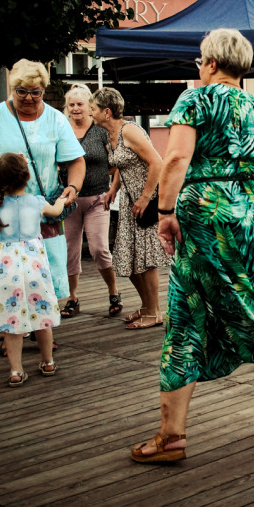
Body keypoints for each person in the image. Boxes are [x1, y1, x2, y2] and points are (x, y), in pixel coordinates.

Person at [130, 28, 254, 462]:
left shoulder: (195, 99)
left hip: (205, 216)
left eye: (199, 62)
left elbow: (176, 158)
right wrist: (247, 204)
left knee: (188, 312)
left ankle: (172, 436)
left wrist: (165, 212)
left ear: (209, 63)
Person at [0, 60, 85, 305]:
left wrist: (73, 187)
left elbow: (76, 161)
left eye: (36, 93)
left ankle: (42, 327)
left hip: (43, 211)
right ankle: (9, 324)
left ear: (43, 91)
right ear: (12, 89)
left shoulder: (56, 119)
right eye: (22, 92)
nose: (29, 98)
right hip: (4, 210)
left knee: (46, 274)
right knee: (8, 274)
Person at [0, 153, 65, 386]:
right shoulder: (36, 201)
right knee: (42, 317)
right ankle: (48, 362)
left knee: (11, 323)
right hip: (34, 270)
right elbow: (55, 212)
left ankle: (16, 371)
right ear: (27, 177)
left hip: (6, 273)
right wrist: (64, 199)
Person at [92, 87, 168, 330]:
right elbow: (121, 164)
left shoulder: (130, 130)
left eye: (93, 109)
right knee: (129, 257)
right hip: (128, 200)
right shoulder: (112, 135)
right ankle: (146, 306)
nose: (91, 113)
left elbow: (157, 161)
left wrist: (146, 197)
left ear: (106, 112)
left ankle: (155, 312)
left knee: (145, 259)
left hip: (144, 200)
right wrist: (114, 188)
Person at [61, 85, 121, 318]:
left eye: (80, 104)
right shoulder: (62, 130)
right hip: (69, 202)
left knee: (99, 249)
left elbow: (118, 162)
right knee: (69, 252)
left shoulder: (100, 131)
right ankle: (72, 298)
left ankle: (113, 291)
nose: (76, 108)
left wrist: (113, 186)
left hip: (97, 198)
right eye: (71, 105)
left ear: (89, 107)